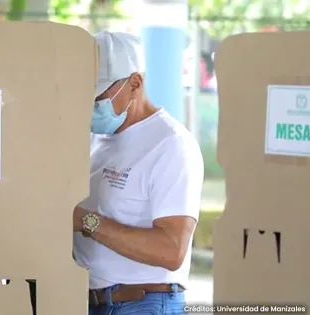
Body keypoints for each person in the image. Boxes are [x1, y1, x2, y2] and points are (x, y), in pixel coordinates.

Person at [73, 31, 204, 315]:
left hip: (142, 304)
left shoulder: (170, 145)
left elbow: (171, 251)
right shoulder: (95, 139)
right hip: (91, 301)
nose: (90, 106)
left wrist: (87, 222)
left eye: (98, 96)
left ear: (135, 83)